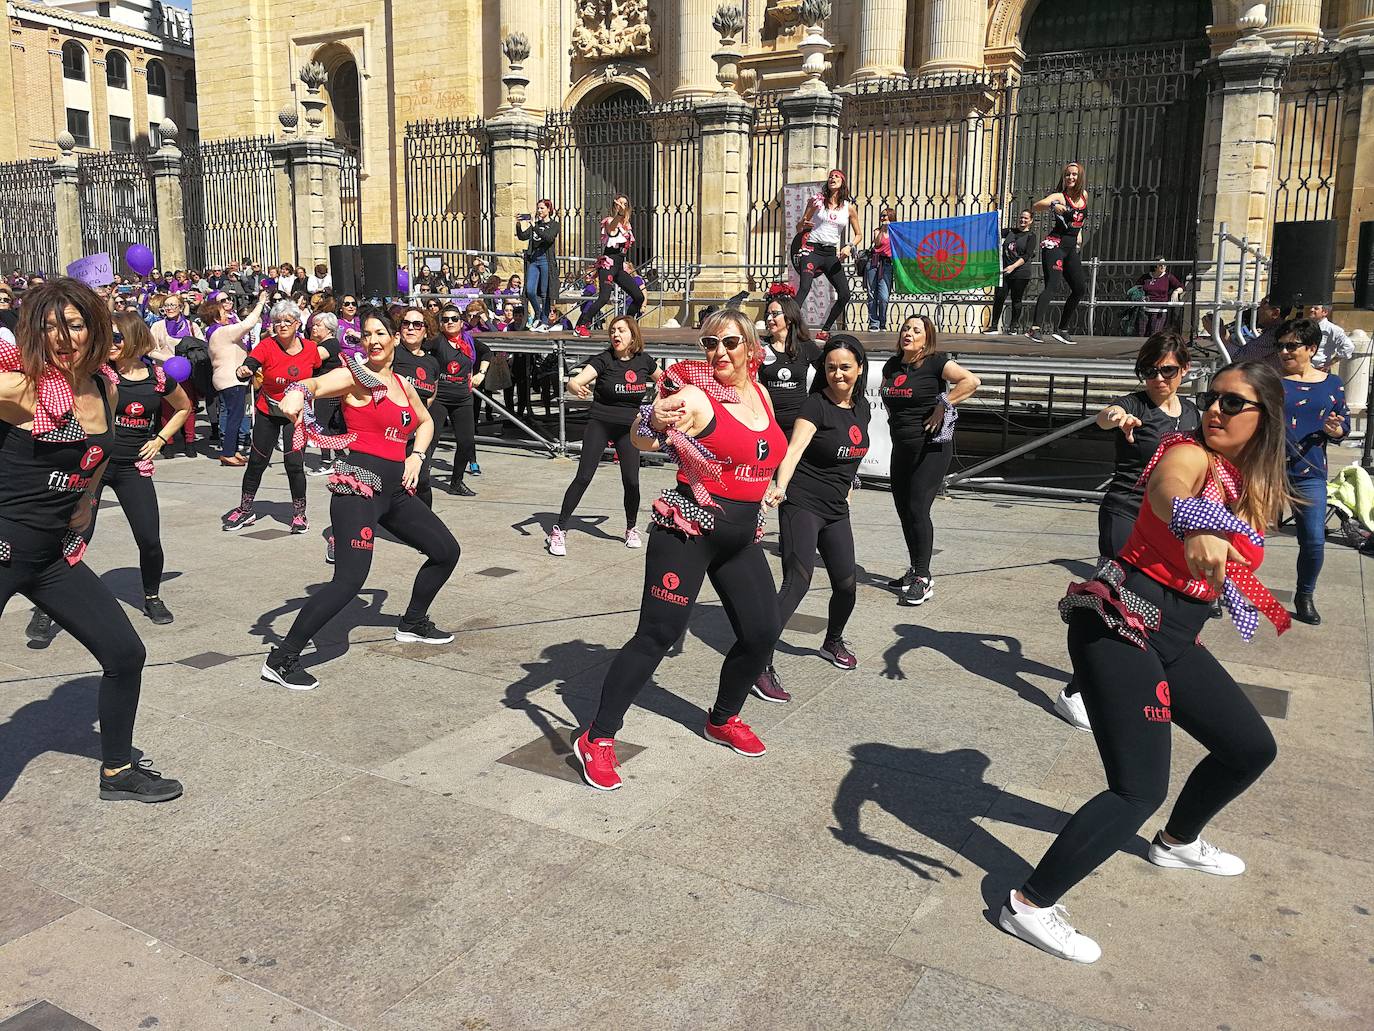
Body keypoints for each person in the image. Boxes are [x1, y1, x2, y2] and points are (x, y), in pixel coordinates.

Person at [1001, 361, 1291, 964]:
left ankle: (1178, 841)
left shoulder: (1250, 482)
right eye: (1212, 398)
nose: (1214, 409)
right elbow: (1167, 492)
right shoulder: (1190, 454)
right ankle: (1028, 904)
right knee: (1137, 788)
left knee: (1249, 748)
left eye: (1233, 403)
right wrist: (1193, 525)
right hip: (1119, 622)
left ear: (1265, 418)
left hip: (1176, 635)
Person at [571, 310, 786, 791]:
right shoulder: (696, 394)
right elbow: (643, 437)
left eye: (729, 343)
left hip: (739, 535)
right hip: (688, 528)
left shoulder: (762, 396)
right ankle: (598, 738)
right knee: (658, 634)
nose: (719, 353)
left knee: (763, 631)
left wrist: (772, 486)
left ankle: (722, 718)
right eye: (710, 344)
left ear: (751, 347)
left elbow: (763, 451)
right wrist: (650, 417)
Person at [0, 278, 181, 802]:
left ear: (94, 327)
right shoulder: (21, 389)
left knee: (125, 653)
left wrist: (85, 501)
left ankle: (118, 772)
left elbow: (98, 453)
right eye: (50, 326)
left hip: (53, 557)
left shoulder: (106, 385)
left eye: (74, 324)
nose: (63, 337)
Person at [264, 310, 460, 691]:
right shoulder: (356, 377)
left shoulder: (403, 384)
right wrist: (296, 393)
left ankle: (413, 622)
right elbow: (315, 385)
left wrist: (416, 457)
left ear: (395, 339)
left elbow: (426, 422)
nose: (372, 340)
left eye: (380, 333)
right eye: (366, 334)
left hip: (396, 493)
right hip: (358, 487)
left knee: (445, 551)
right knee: (349, 580)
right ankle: (282, 658)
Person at [1054, 332, 1202, 732]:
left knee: (1161, 602)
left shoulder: (1192, 414)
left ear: (1184, 370)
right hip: (1125, 512)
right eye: (1150, 370)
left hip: (1168, 519)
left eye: (1167, 370)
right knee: (1121, 599)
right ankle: (1075, 691)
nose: (1158, 378)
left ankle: (1142, 672)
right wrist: (1115, 418)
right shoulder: (1133, 404)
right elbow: (1106, 417)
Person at [754, 334, 871, 704]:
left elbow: (854, 452)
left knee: (847, 583)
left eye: (845, 367)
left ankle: (831, 641)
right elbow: (793, 451)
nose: (838, 373)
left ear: (860, 369)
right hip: (801, 503)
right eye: (832, 367)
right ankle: (758, 662)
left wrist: (849, 485)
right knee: (797, 583)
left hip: (836, 509)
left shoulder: (862, 407)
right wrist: (779, 487)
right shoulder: (814, 406)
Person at [81, 311, 192, 625]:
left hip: (133, 469)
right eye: (107, 337)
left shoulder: (158, 377)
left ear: (133, 339)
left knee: (149, 539)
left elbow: (184, 407)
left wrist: (160, 438)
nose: (110, 344)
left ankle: (152, 597)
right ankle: (46, 609)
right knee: (77, 536)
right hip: (96, 468)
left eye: (116, 337)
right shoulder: (98, 372)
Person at [880, 316, 981, 605]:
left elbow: (971, 381)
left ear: (927, 338)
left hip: (931, 449)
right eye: (905, 328)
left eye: (915, 330)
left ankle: (923, 578)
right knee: (903, 510)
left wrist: (944, 403)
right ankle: (914, 569)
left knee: (917, 509)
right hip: (902, 448)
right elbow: (889, 398)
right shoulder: (892, 365)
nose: (908, 333)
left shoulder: (937, 363)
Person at [548, 315, 661, 556]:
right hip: (600, 423)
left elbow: (667, 382)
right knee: (584, 476)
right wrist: (575, 386)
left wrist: (662, 402)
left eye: (621, 330)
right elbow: (575, 381)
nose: (616, 335)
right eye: (612, 331)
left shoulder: (644, 361)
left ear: (633, 334)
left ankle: (631, 528)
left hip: (630, 428)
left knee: (631, 480)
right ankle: (559, 529)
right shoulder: (603, 359)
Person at [221, 300, 325, 532]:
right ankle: (245, 509)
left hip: (296, 415)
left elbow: (318, 372)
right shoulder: (267, 345)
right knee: (257, 461)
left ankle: (299, 513)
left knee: (294, 464)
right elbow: (251, 362)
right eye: (277, 322)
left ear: (298, 323)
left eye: (287, 321)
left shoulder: (310, 348)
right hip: (268, 410)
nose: (282, 325)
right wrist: (244, 370)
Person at [1278, 318, 1349, 625]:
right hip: (1268, 469)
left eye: (1291, 346)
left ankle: (1304, 595)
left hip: (1309, 471)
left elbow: (1342, 422)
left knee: (1314, 539)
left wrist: (1336, 431)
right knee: (1244, 533)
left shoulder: (1332, 384)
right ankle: (1218, 590)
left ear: (1311, 348)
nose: (1283, 352)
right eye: (1281, 345)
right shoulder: (1269, 381)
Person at [430, 303, 490, 496]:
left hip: (463, 397)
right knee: (430, 441)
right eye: (445, 319)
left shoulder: (468, 341)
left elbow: (487, 352)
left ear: (461, 322)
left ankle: (456, 482)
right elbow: (417, 349)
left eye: (453, 319)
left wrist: (481, 373)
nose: (449, 323)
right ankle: (418, 478)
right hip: (439, 397)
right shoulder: (437, 341)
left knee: (466, 442)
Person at [203, 290, 269, 467]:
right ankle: (227, 453)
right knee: (235, 415)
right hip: (231, 379)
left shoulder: (214, 332)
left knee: (235, 415)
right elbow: (249, 323)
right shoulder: (222, 332)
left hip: (225, 378)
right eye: (224, 313)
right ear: (216, 318)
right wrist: (261, 303)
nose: (227, 315)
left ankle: (232, 450)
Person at [1028, 161, 1089, 345]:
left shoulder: (1084, 195)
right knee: (1052, 285)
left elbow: (1081, 218)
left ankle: (1062, 329)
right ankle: (1035, 328)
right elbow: (1037, 206)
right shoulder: (1060, 197)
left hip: (1070, 248)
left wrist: (1079, 234)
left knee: (1080, 288)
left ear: (1080, 178)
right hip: (1055, 245)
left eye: (1074, 175)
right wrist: (1053, 205)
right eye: (1067, 175)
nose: (1070, 177)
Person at [794, 169, 860, 337]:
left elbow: (859, 235)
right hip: (812, 250)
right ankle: (788, 327)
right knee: (804, 287)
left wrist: (849, 246)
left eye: (837, 176)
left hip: (831, 254)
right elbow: (799, 227)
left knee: (845, 294)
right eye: (831, 176)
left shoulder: (849, 208)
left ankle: (825, 330)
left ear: (842, 182)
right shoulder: (817, 201)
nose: (833, 178)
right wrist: (803, 223)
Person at [391, 306, 441, 508]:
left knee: (422, 480)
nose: (411, 328)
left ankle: (424, 523)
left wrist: (421, 413)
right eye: (406, 324)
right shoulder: (392, 354)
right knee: (391, 480)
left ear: (426, 330)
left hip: (418, 430)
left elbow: (432, 391)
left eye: (417, 324)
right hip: (392, 430)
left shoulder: (432, 362)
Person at [574, 194, 644, 336]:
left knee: (639, 297)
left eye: (625, 204)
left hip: (618, 267)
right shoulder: (610, 221)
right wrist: (619, 214)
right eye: (620, 204)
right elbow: (612, 229)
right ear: (615, 207)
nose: (623, 207)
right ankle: (581, 325)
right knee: (604, 297)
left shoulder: (627, 226)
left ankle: (628, 324)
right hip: (608, 265)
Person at [758, 290, 821, 436]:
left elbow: (827, 372)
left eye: (774, 314)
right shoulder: (760, 347)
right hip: (769, 423)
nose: (769, 319)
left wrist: (814, 400)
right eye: (768, 314)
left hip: (799, 424)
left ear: (790, 317)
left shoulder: (806, 347)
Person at [303, 311, 344, 475]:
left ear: (329, 328)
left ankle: (326, 461)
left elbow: (313, 360)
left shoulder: (330, 344)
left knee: (321, 424)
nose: (314, 328)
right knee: (331, 425)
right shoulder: (327, 344)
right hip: (329, 389)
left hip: (328, 390)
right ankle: (340, 456)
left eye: (318, 325)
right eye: (313, 325)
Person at [986, 209, 1036, 334]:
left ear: (1031, 221)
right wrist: (994, 217)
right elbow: (992, 232)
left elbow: (1027, 255)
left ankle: (1013, 327)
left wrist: (1013, 267)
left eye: (1026, 218)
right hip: (1004, 271)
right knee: (999, 297)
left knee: (1016, 299)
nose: (1022, 220)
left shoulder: (1031, 236)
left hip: (1020, 272)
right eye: (1021, 217)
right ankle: (993, 326)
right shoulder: (1010, 231)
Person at [863, 207, 896, 332]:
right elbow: (877, 243)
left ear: (891, 217)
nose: (882, 218)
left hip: (887, 264)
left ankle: (883, 322)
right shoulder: (878, 231)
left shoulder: (895, 232)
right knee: (871, 294)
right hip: (874, 262)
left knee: (883, 296)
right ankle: (874, 322)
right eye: (881, 216)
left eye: (885, 216)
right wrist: (883, 229)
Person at [1135, 258, 1184, 338]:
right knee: (1141, 335)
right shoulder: (1146, 277)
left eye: (1165, 264)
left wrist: (1176, 292)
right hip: (1144, 310)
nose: (1163, 266)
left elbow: (1181, 286)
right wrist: (1140, 296)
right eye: (1161, 264)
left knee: (1155, 336)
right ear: (1155, 266)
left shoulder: (1168, 277)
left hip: (1159, 311)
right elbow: (1136, 288)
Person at [1302, 303, 1353, 372]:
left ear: (1325, 312)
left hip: (1320, 370)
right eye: (1311, 307)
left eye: (1316, 308)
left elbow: (1348, 346)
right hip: (1303, 368)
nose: (1311, 310)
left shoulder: (1333, 329)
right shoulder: (1304, 327)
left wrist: (1330, 363)